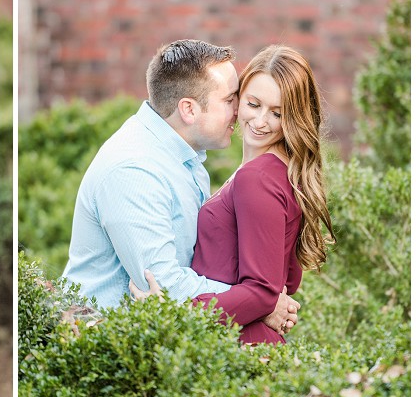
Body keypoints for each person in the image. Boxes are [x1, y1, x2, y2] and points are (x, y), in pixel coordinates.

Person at [64, 39, 298, 334]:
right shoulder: (134, 170)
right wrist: (261, 302)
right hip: (107, 349)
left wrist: (257, 299)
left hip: (164, 342)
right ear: (188, 109)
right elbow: (165, 285)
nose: (239, 111)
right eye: (229, 100)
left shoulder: (183, 156)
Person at [132, 45, 335, 345]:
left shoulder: (257, 178)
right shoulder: (283, 172)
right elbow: (286, 281)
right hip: (237, 337)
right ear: (238, 98)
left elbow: (265, 291)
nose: (260, 121)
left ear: (293, 117)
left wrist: (175, 316)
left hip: (238, 345)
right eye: (253, 104)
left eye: (277, 113)